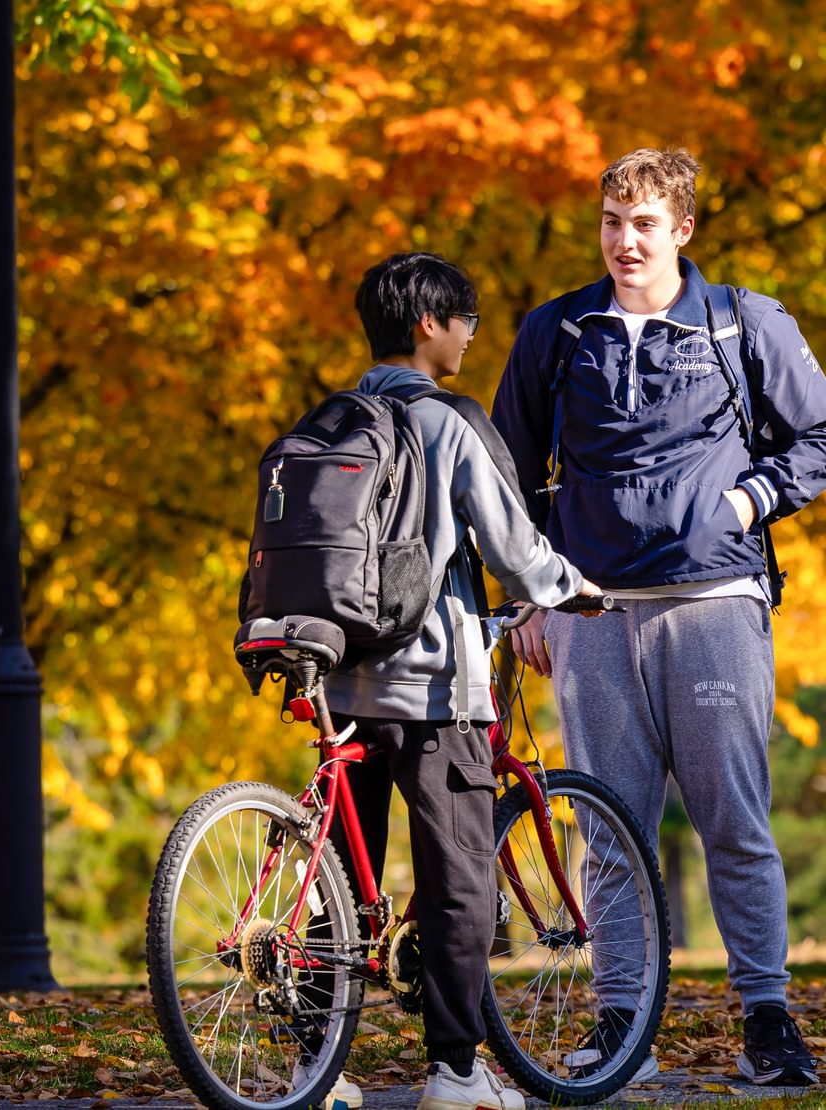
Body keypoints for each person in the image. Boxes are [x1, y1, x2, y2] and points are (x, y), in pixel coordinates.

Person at [491, 147, 826, 1087]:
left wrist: (753, 501)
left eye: (643, 224)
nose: (624, 241)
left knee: (735, 820)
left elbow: (819, 434)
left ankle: (768, 1020)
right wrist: (525, 595)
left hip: (715, 602)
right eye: (611, 222)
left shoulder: (741, 322)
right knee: (607, 828)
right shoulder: (557, 331)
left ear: (682, 229)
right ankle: (619, 1028)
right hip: (592, 612)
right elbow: (506, 476)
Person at [320, 251, 599, 1110]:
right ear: (430, 325)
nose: (476, 335)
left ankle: (313, 1068)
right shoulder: (449, 422)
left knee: (336, 880)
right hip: (432, 682)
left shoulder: (332, 419)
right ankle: (454, 1070)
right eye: (468, 319)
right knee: (460, 878)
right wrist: (572, 589)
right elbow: (514, 551)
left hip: (337, 678)